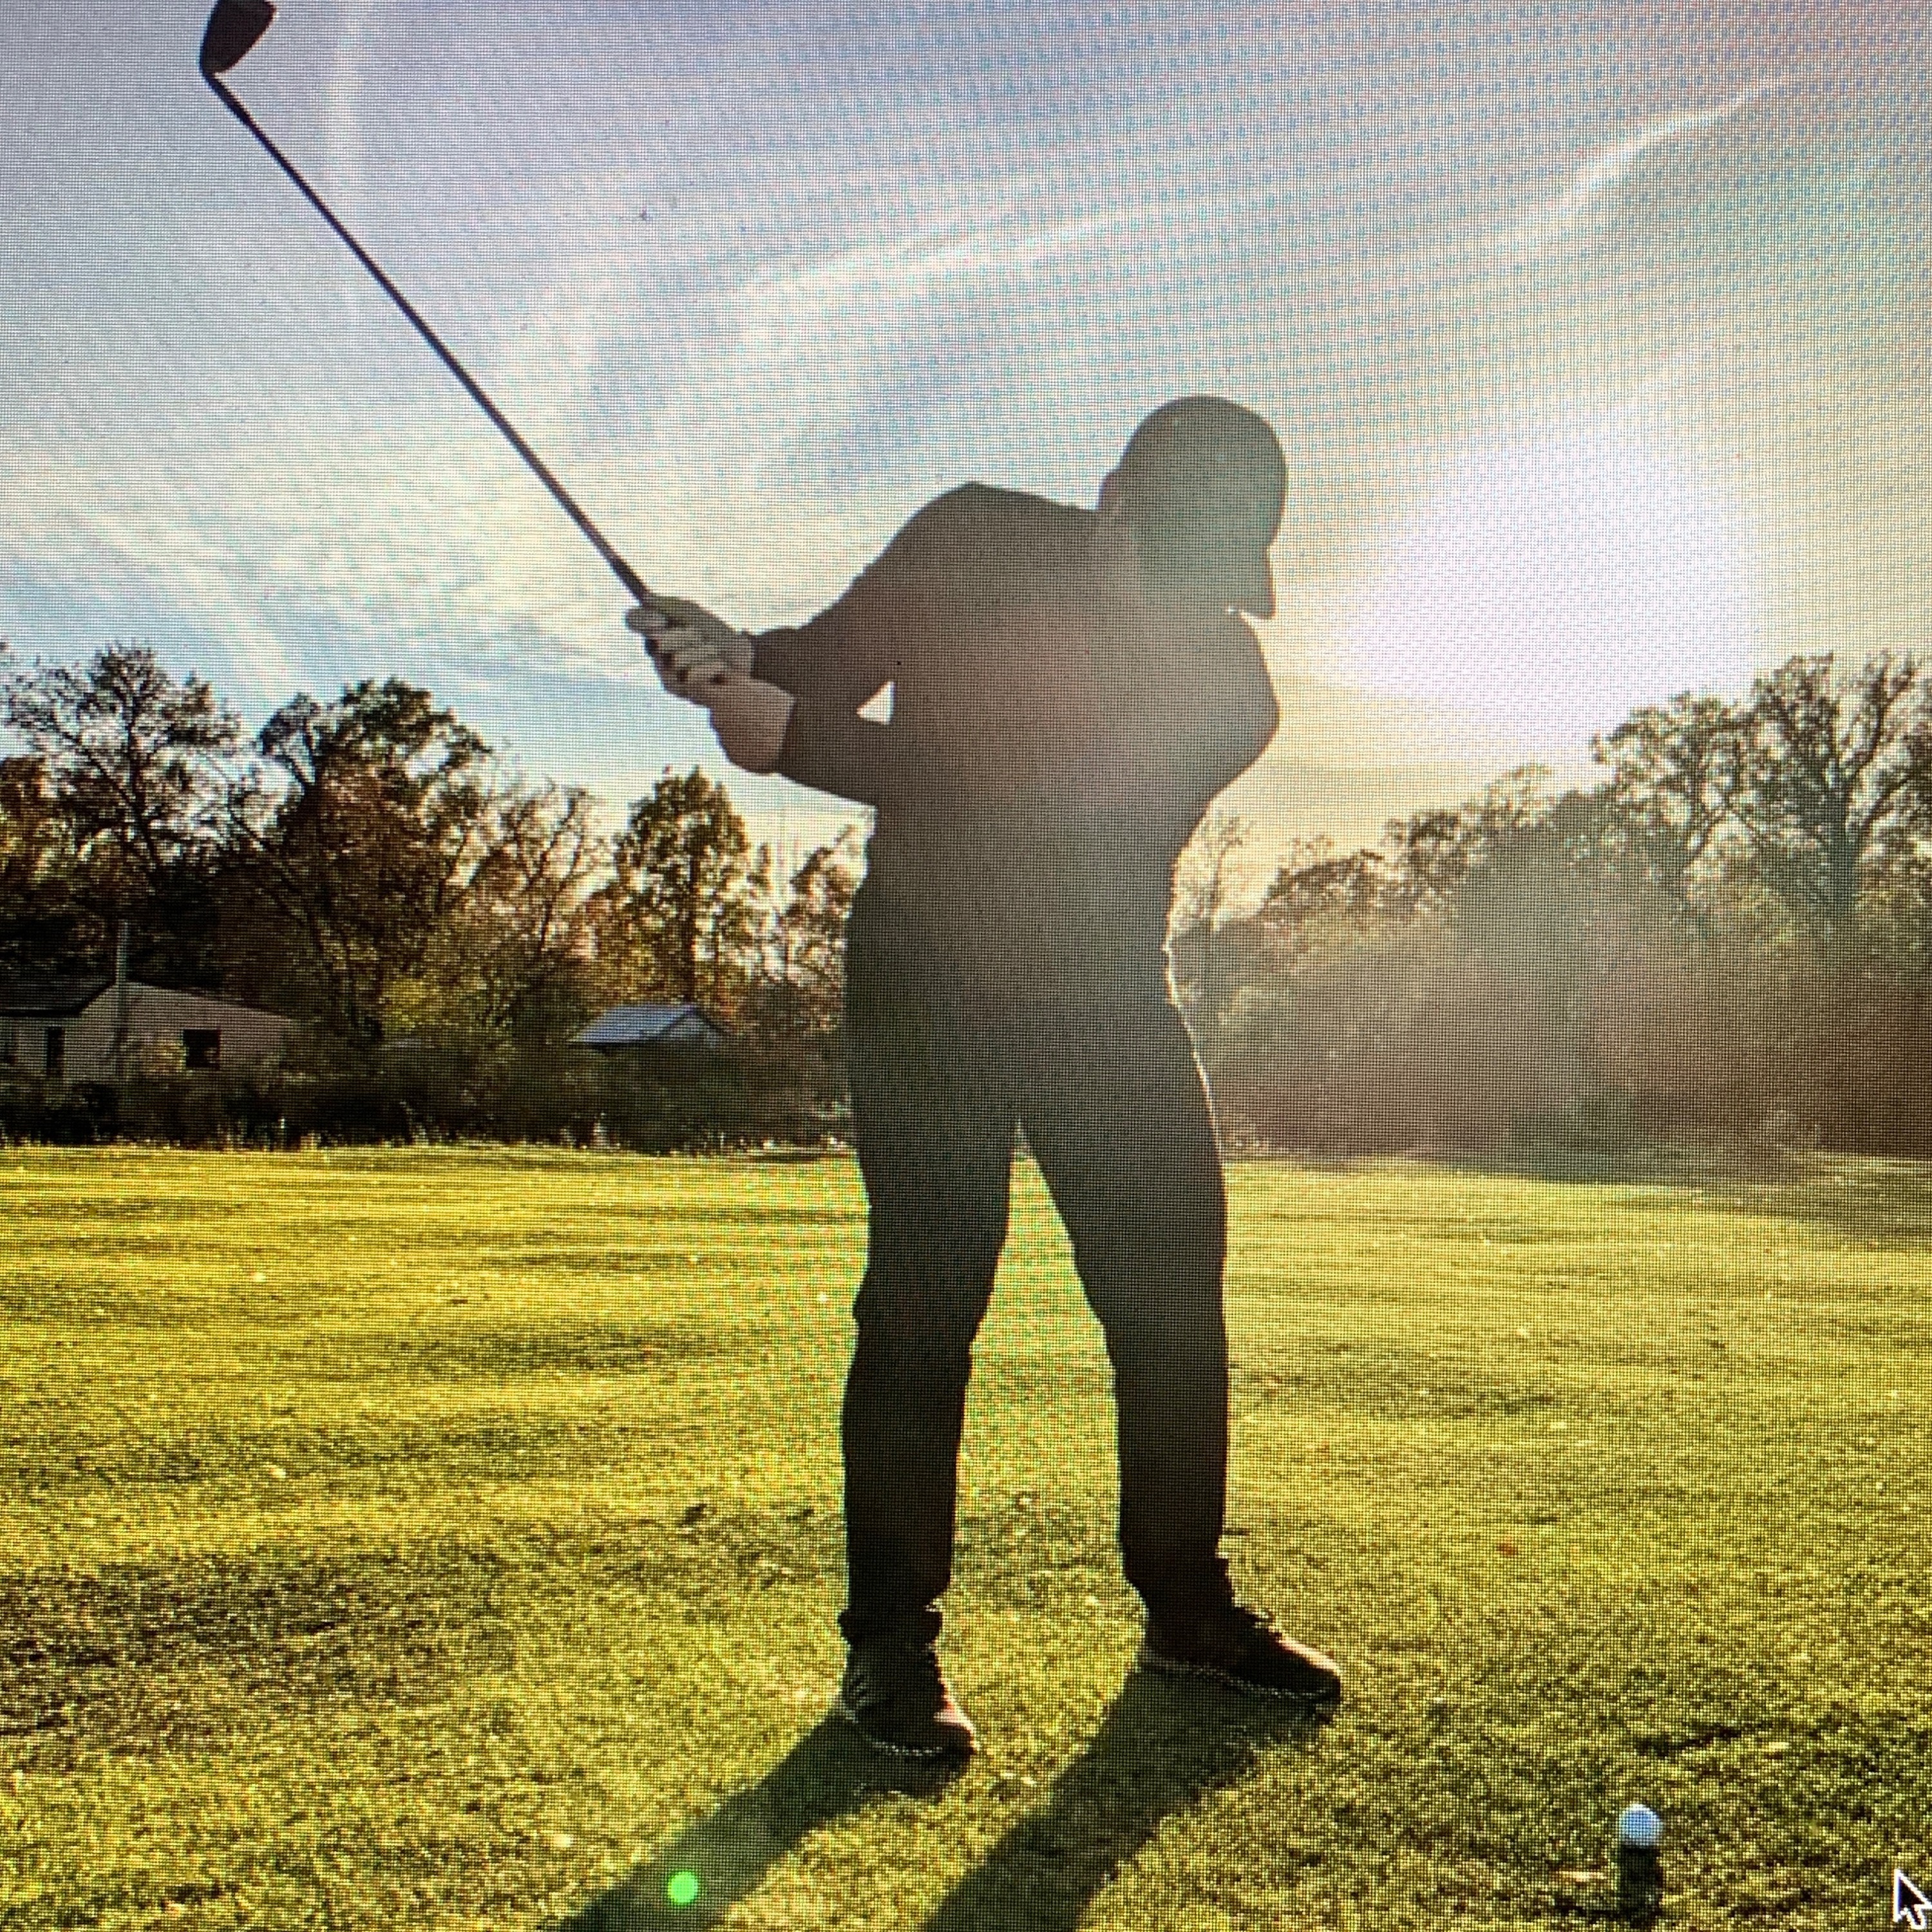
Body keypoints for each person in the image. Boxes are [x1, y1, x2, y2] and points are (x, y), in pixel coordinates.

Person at [630, 396, 1342, 1760]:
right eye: (1174, 569)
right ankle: (890, 1648)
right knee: (925, 1297)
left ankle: (1187, 1609)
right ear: (1114, 504)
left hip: (1102, 995)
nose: (1189, 607)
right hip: (927, 983)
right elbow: (826, 665)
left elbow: (1036, 806)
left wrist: (796, 736)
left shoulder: (1231, 690)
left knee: (1171, 1301)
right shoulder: (968, 536)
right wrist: (738, 660)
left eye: (1215, 584)